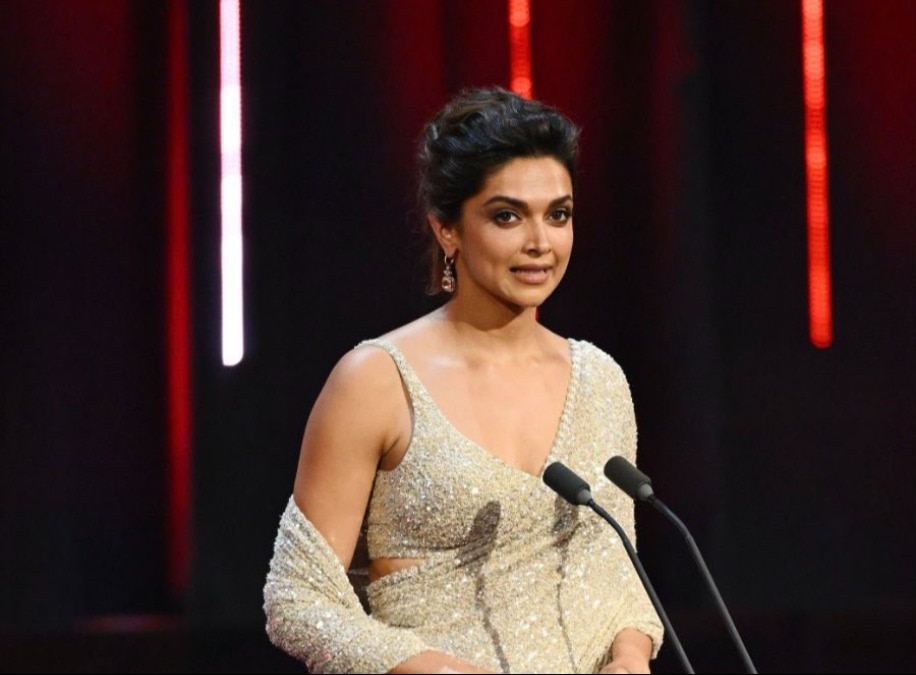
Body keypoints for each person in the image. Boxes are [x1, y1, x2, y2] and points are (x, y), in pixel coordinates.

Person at [263, 86, 664, 674]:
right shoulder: (376, 381)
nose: (540, 243)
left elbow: (616, 570)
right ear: (447, 229)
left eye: (558, 214)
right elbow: (297, 601)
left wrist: (630, 655)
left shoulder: (601, 380)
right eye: (507, 216)